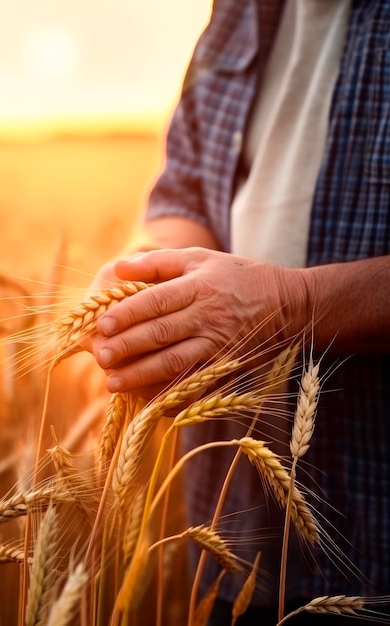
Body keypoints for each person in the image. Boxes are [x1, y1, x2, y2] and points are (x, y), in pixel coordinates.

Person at [86, 0, 390, 623]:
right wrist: (152, 277)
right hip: (237, 538)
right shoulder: (239, 11)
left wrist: (291, 307)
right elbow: (185, 187)